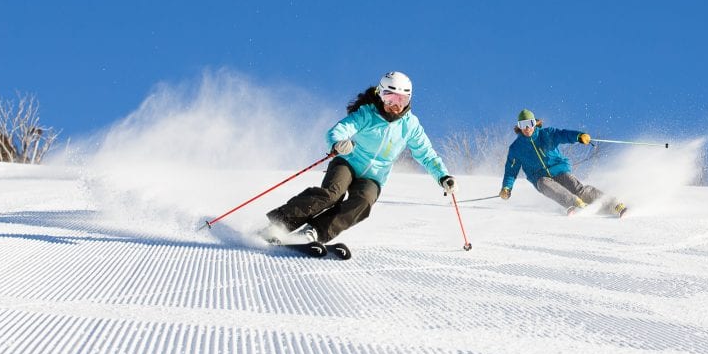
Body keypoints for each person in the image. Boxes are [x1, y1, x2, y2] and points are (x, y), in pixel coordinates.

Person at [265, 71, 457, 243]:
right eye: (390, 98)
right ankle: (281, 223)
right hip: (348, 162)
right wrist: (338, 143)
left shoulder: (410, 126)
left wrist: (443, 176)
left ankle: (315, 231)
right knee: (332, 194)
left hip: (373, 176)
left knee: (364, 202)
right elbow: (339, 130)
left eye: (402, 100)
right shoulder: (367, 114)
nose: (395, 106)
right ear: (380, 95)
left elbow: (426, 153)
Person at [499, 109, 626, 217]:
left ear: (535, 123)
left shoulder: (547, 134)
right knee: (546, 184)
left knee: (577, 189)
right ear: (519, 127)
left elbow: (563, 135)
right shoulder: (516, 148)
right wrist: (506, 188)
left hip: (559, 170)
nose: (527, 128)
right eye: (523, 124)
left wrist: (579, 136)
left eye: (530, 123)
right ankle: (576, 204)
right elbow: (511, 170)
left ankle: (613, 205)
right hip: (539, 177)